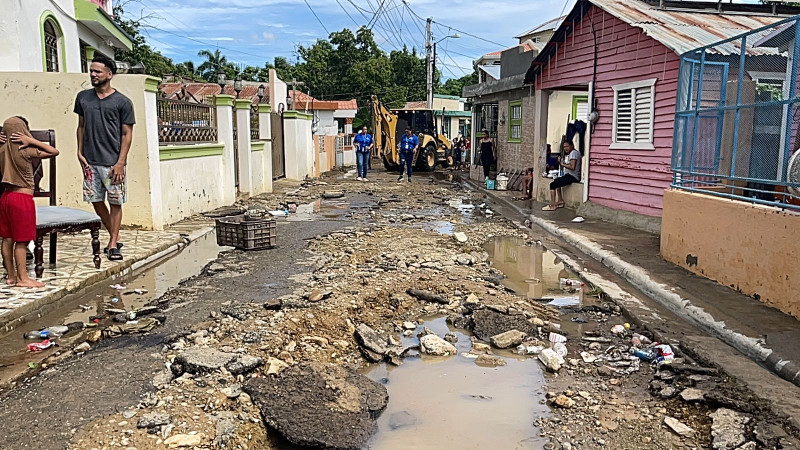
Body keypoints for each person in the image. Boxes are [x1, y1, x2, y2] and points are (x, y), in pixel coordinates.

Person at [74, 56, 135, 261]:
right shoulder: (83, 98)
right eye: (91, 71)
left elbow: (127, 134)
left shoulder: (123, 102)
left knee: (115, 202)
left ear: (109, 74)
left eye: (98, 71)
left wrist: (120, 163)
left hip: (112, 163)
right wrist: (79, 152)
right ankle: (114, 237)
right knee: (96, 201)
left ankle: (112, 244)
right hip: (90, 162)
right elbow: (81, 126)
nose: (93, 74)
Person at [0, 117, 60, 287]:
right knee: (22, 241)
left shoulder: (2, 149)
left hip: (5, 197)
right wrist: (31, 140)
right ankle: (23, 278)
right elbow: (54, 151)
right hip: (21, 199)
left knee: (7, 238)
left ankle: (11, 276)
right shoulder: (25, 149)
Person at [543, 140, 581, 211]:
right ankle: (560, 201)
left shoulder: (573, 153)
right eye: (564, 147)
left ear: (572, 146)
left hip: (573, 176)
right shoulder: (573, 153)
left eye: (567, 146)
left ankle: (553, 205)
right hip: (570, 175)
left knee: (552, 185)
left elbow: (572, 167)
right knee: (557, 181)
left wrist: (562, 164)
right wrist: (561, 162)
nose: (565, 148)